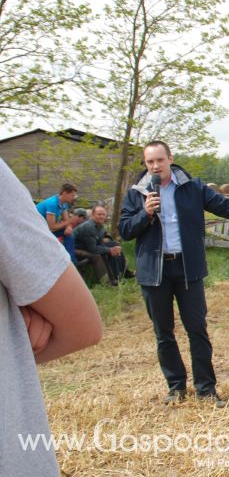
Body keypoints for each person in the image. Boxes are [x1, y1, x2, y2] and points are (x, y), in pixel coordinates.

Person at [118, 140, 229, 408]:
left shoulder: (192, 188)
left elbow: (228, 207)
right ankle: (175, 387)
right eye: (150, 162)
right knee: (164, 333)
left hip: (187, 269)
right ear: (146, 164)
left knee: (197, 329)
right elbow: (124, 230)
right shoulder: (137, 194)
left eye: (160, 160)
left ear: (170, 158)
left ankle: (206, 388)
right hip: (154, 272)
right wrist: (145, 214)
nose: (155, 166)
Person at [0, 158, 102, 476]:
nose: (74, 201)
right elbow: (81, 326)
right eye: (73, 197)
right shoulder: (51, 205)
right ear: (67, 194)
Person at [73, 205, 133, 286]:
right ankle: (106, 282)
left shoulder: (100, 226)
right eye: (99, 214)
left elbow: (100, 244)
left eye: (103, 214)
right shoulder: (89, 226)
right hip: (75, 250)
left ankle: (116, 277)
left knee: (113, 246)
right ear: (93, 215)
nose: (101, 216)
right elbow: (93, 249)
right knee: (98, 254)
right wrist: (109, 250)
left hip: (86, 247)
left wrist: (113, 249)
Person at [35, 183, 83, 263]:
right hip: (38, 230)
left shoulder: (63, 203)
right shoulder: (52, 204)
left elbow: (66, 219)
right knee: (65, 235)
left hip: (46, 228)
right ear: (64, 193)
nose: (74, 198)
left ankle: (71, 261)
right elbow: (52, 227)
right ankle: (70, 262)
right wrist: (70, 221)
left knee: (69, 234)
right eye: (72, 195)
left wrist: (68, 227)